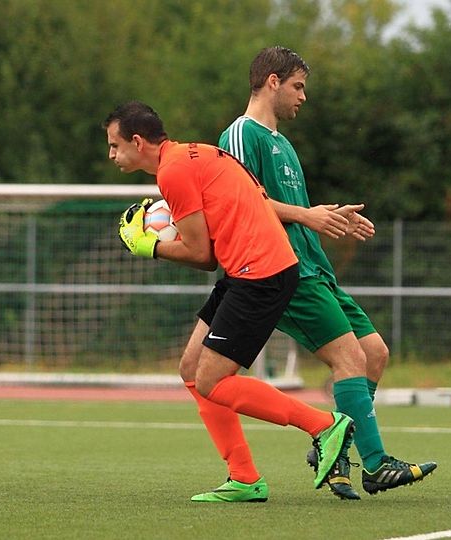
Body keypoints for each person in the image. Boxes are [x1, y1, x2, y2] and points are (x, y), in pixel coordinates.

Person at [106, 100, 354, 502]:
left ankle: (324, 426)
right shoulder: (196, 154)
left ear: (137, 141)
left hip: (261, 272)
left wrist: (148, 246)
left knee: (212, 381)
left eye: (115, 145)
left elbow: (202, 255)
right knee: (191, 369)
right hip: (247, 269)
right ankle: (244, 478)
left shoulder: (173, 171)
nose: (111, 155)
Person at [219, 46, 436, 499]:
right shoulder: (241, 134)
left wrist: (329, 218)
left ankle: (334, 447)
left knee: (374, 353)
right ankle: (375, 465)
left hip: (316, 268)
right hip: (282, 270)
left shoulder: (283, 142)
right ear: (272, 81)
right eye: (298, 86)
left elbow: (292, 210)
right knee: (349, 359)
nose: (303, 97)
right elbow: (242, 204)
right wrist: (307, 216)